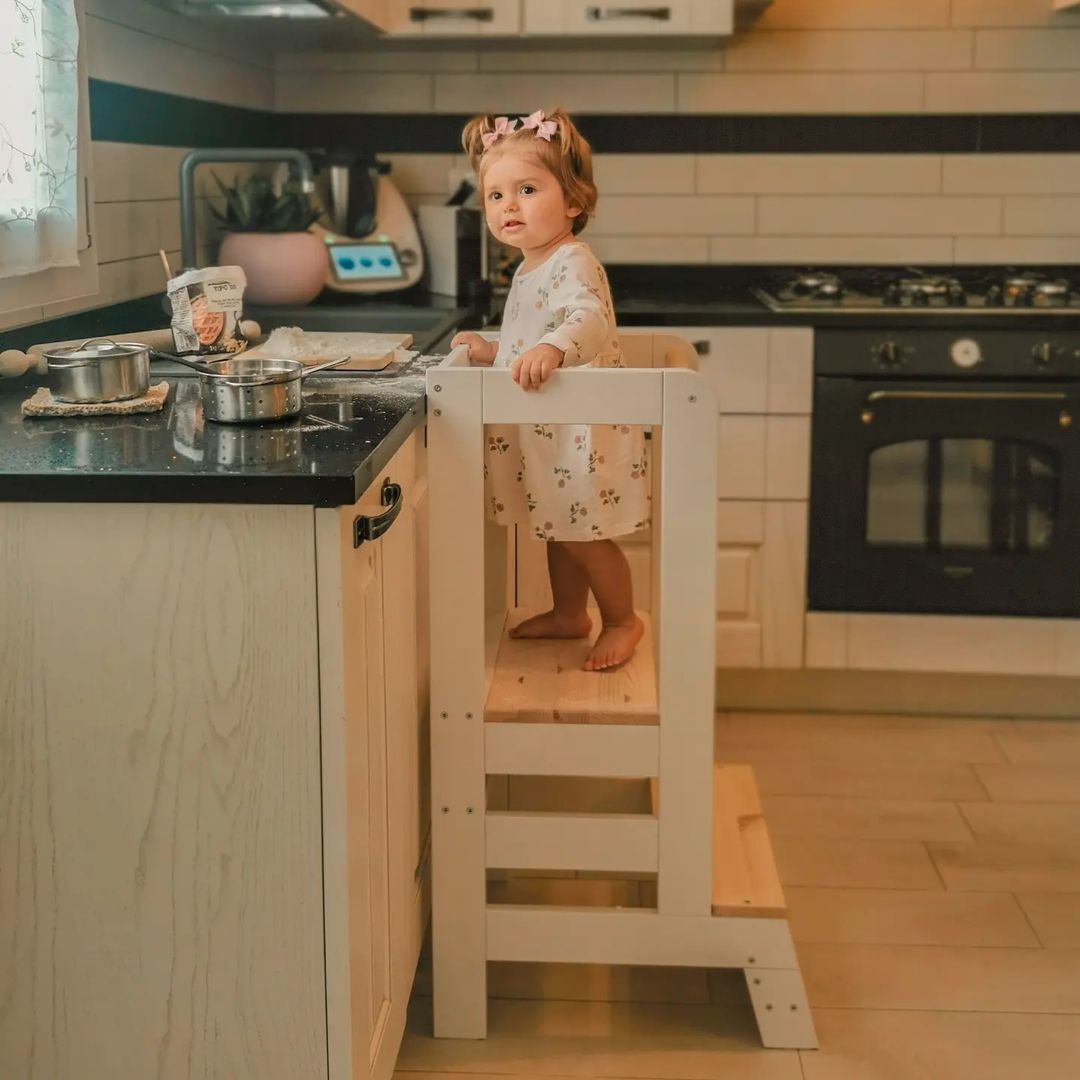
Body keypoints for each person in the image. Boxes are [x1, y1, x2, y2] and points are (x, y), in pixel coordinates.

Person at [451, 108, 649, 672]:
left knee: (583, 534)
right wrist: (499, 350)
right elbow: (532, 332)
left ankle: (621, 620)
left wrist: (553, 349)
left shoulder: (571, 260)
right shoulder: (529, 266)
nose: (507, 205)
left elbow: (586, 321)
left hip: (582, 430)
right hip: (554, 432)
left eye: (527, 189)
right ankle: (570, 614)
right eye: (494, 195)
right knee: (559, 526)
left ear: (574, 202)